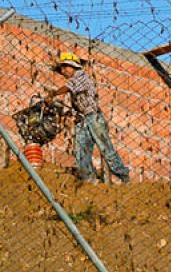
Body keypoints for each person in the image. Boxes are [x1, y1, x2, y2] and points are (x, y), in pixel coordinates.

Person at [46, 51, 130, 184]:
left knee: (106, 149)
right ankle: (89, 180)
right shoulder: (74, 81)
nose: (62, 71)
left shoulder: (81, 76)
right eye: (61, 68)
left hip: (93, 117)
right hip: (83, 119)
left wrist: (53, 94)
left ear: (72, 66)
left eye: (64, 67)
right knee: (80, 151)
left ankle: (123, 176)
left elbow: (70, 86)